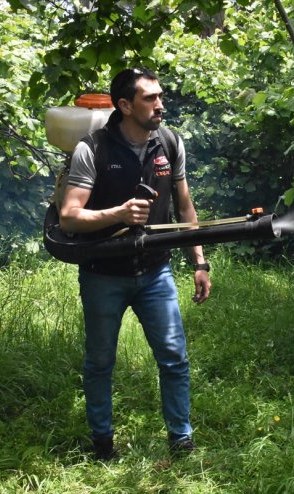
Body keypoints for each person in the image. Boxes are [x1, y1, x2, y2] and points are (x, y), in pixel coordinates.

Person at [59, 67, 211, 460]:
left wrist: (199, 261)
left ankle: (181, 438)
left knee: (174, 357)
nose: (160, 105)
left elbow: (184, 205)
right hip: (103, 274)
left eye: (160, 96)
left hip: (156, 271)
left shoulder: (170, 142)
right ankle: (102, 442)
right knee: (99, 362)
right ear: (124, 105)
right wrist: (120, 214)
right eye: (150, 98)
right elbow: (69, 216)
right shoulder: (91, 149)